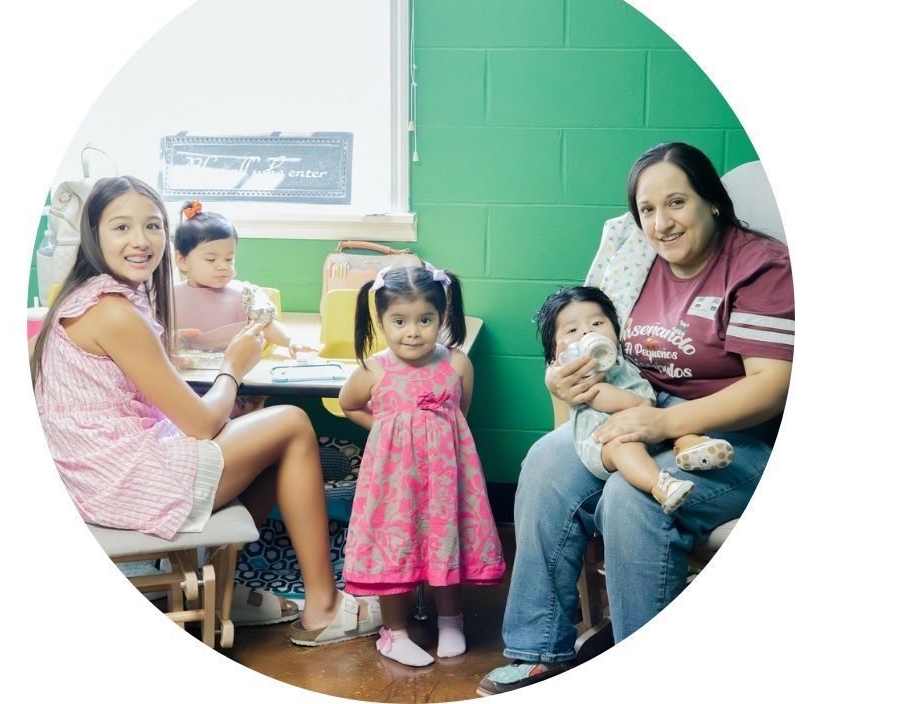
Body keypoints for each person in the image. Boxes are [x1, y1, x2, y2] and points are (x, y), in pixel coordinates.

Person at [479, 142, 793, 695]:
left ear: (712, 202)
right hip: (636, 411)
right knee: (547, 464)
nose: (661, 223)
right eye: (647, 210)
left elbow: (771, 389)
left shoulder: (759, 266)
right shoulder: (634, 260)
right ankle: (541, 651)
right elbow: (584, 339)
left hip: (738, 437)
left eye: (676, 203)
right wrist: (560, 377)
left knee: (632, 497)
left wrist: (663, 425)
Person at [30, 176, 381, 645]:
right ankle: (323, 608)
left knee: (257, 432)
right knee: (292, 423)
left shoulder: (85, 298)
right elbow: (197, 421)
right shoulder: (114, 312)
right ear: (95, 235)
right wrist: (233, 368)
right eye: (121, 227)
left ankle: (231, 589)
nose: (141, 240)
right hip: (122, 482)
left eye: (153, 226)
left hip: (96, 474)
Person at [338, 264, 506, 667]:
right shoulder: (373, 369)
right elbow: (348, 404)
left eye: (425, 320)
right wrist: (386, 426)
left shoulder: (458, 364)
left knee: (444, 540)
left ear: (443, 318)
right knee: (395, 547)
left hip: (447, 477)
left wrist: (433, 432)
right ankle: (394, 634)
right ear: (381, 321)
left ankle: (451, 619)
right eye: (399, 321)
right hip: (394, 480)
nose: (412, 331)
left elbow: (458, 412)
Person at [534, 285, 735, 514]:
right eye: (572, 330)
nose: (588, 332)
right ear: (558, 349)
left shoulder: (617, 359)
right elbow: (599, 396)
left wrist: (649, 409)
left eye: (597, 324)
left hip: (647, 420)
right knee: (625, 446)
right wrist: (641, 405)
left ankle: (692, 446)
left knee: (678, 412)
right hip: (605, 440)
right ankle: (661, 485)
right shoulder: (580, 375)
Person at [172, 199, 314, 416]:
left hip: (237, 384)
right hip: (188, 385)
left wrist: (290, 341)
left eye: (229, 259)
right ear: (182, 261)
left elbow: (265, 326)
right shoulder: (169, 297)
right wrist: (172, 338)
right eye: (211, 260)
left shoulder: (244, 295)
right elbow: (152, 337)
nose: (223, 266)